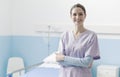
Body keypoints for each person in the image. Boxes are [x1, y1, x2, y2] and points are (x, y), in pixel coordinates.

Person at [55, 3, 100, 77]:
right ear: (70, 16)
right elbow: (59, 60)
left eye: (80, 14)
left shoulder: (91, 36)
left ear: (85, 15)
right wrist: (80, 62)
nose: (77, 17)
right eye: (74, 14)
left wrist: (64, 58)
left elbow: (87, 63)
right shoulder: (64, 35)